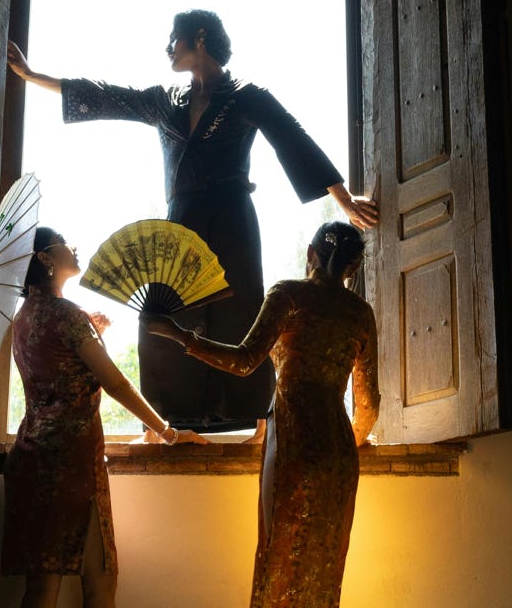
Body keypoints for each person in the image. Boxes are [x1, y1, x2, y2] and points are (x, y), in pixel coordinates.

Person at [6, 9, 377, 439]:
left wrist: (344, 199)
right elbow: (108, 95)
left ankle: (255, 421)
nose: (167, 49)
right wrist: (33, 77)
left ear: (199, 38)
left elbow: (290, 135)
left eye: (173, 40)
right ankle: (165, 420)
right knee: (163, 312)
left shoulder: (245, 97)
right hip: (180, 222)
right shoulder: (166, 102)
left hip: (233, 217)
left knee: (240, 308)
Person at [142, 221, 380, 608]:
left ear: (311, 255)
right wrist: (347, 442)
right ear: (352, 269)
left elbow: (244, 361)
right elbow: (369, 404)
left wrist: (179, 335)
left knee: (280, 555)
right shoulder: (360, 313)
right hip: (338, 449)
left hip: (294, 436)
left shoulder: (289, 295)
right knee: (326, 562)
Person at [2, 226, 206, 608]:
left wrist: (90, 332)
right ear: (45, 258)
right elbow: (115, 383)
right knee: (100, 581)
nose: (73, 246)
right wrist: (166, 432)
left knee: (42, 587)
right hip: (71, 462)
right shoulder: (68, 316)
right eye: (63, 242)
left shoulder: (24, 317)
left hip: (31, 456)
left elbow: (57, 369)